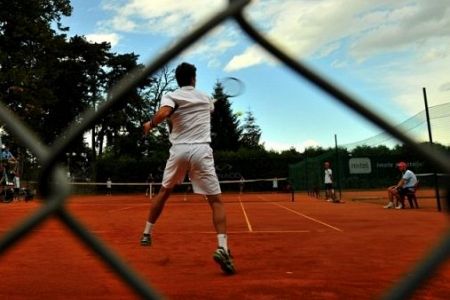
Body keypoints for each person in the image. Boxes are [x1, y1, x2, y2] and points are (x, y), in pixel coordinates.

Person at [139, 62, 235, 274]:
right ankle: (223, 248)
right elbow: (210, 107)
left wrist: (149, 124)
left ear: (178, 80)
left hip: (179, 151)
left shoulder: (171, 96)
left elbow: (165, 113)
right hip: (201, 150)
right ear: (193, 78)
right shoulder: (205, 98)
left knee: (164, 192)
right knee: (216, 201)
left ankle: (147, 233)